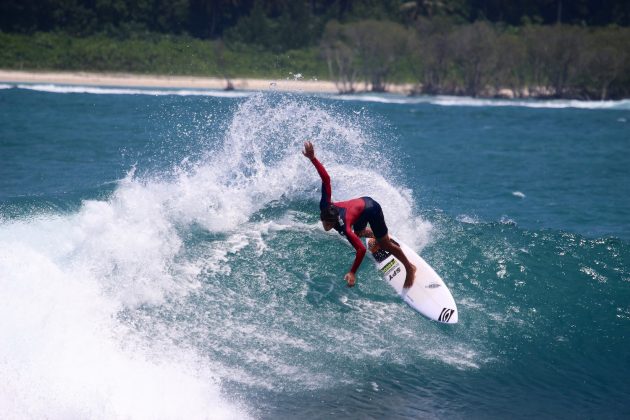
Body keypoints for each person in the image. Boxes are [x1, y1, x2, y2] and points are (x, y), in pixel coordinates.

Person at [302, 141, 416, 288]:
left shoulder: (345, 226)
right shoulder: (325, 205)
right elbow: (326, 179)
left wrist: (352, 272)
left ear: (335, 220)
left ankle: (409, 267)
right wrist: (312, 158)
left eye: (330, 224)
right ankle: (376, 237)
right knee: (360, 232)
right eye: (325, 222)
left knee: (385, 244)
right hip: (359, 210)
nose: (327, 227)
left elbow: (361, 250)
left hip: (372, 209)